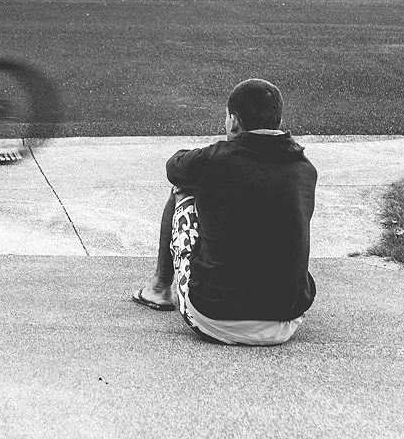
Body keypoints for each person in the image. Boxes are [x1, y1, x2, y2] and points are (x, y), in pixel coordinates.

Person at [132, 78, 317, 345]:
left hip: (213, 316)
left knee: (181, 190)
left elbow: (174, 168)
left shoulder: (215, 159)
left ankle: (160, 289)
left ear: (233, 121)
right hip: (284, 322)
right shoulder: (305, 169)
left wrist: (215, 151)